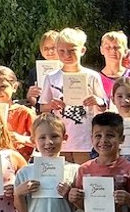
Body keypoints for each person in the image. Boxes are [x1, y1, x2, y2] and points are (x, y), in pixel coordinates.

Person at [39, 27, 109, 164]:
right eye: (62, 51)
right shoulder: (51, 77)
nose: (67, 55)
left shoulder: (92, 76)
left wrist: (97, 101)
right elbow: (42, 107)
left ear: (82, 50)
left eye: (72, 51)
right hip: (59, 139)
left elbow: (104, 106)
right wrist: (51, 105)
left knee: (83, 176)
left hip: (85, 139)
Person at [0, 65, 36, 160]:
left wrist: (21, 139)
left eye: (2, 86)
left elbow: (41, 140)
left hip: (18, 163)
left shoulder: (25, 113)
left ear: (14, 87)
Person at [99, 31, 130, 111]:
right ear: (101, 50)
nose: (112, 51)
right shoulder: (96, 78)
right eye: (108, 47)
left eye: (117, 47)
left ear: (125, 51)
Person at [25, 30, 60, 110]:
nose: (49, 51)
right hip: (46, 116)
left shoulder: (69, 69)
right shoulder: (34, 72)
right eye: (46, 48)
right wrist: (30, 96)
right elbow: (36, 104)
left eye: (53, 48)